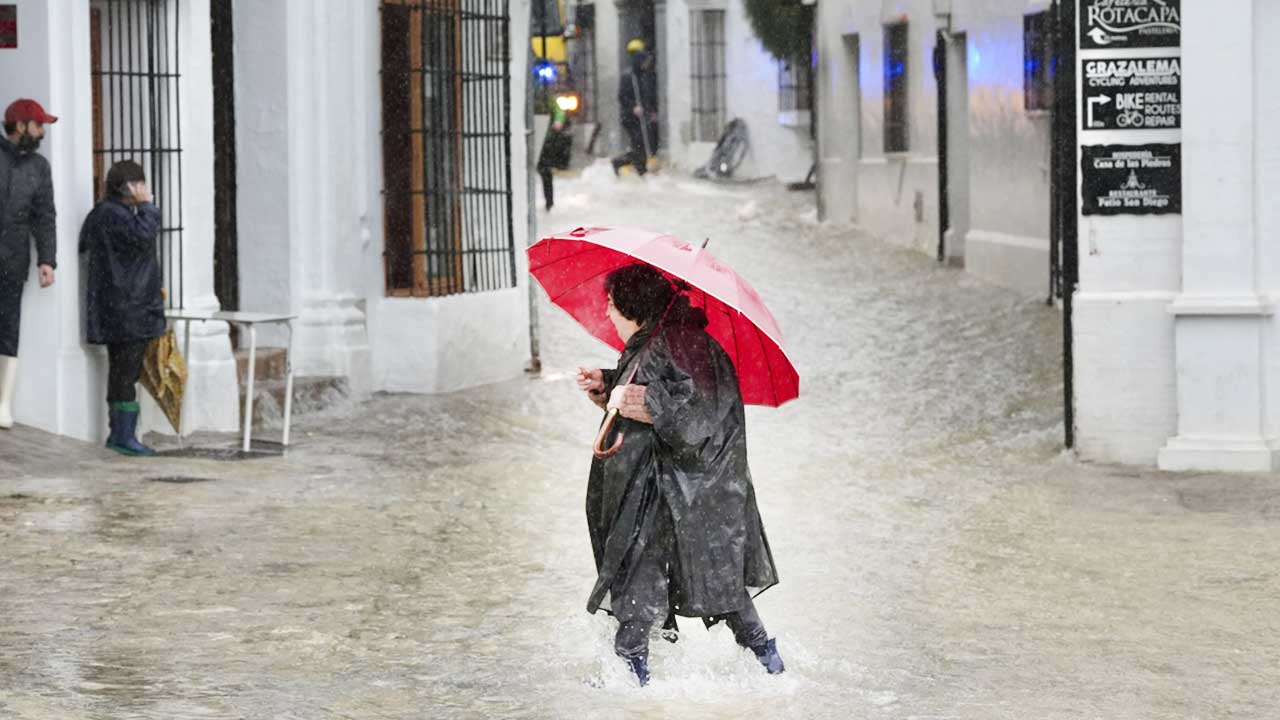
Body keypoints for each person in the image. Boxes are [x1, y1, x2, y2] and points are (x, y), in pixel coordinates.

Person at [575, 263, 784, 686]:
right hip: (683, 493)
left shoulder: (674, 342)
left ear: (631, 306)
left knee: (650, 585)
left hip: (686, 493)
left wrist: (637, 399)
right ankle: (772, 673)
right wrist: (610, 383)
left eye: (612, 306)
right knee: (713, 587)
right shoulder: (663, 339)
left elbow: (693, 412)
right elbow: (664, 390)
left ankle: (632, 695)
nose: (609, 315)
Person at [79, 160, 166, 456]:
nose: (146, 190)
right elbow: (143, 236)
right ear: (129, 187)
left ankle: (122, 433)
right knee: (125, 373)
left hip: (122, 306)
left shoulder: (106, 214)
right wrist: (149, 206)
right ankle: (122, 436)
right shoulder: (116, 215)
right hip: (128, 308)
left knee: (123, 371)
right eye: (141, 184)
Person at [0, 99, 59, 429]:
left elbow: (45, 215)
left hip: (14, 257)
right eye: (38, 125)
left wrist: (47, 259)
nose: (42, 132)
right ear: (21, 125)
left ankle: (2, 403)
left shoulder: (39, 166)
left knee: (8, 328)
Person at [611, 39, 658, 177]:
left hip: (642, 117)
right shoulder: (628, 77)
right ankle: (636, 169)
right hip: (630, 117)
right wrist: (633, 108)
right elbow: (622, 96)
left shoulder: (644, 77)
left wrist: (651, 111)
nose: (646, 64)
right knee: (639, 144)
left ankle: (636, 169)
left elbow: (648, 96)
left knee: (643, 144)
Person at [536, 99, 572, 211]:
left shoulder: (546, 97)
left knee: (545, 171)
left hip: (545, 140)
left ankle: (549, 202)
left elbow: (559, 112)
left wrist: (558, 122)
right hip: (537, 139)